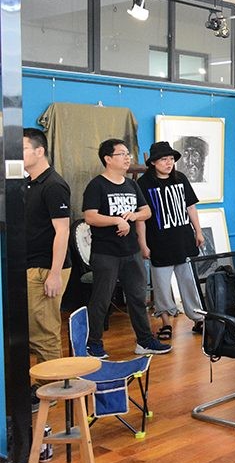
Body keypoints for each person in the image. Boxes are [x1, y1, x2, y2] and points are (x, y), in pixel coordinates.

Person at [83, 139, 171, 358]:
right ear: (108, 159)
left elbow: (147, 212)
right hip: (106, 253)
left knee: (138, 298)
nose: (127, 158)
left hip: (131, 251)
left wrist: (133, 216)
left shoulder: (131, 185)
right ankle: (93, 344)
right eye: (121, 154)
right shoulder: (97, 185)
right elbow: (90, 216)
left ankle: (144, 341)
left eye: (127, 154)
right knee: (101, 300)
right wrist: (116, 220)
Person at [136, 141, 206, 342]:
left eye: (171, 159)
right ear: (153, 162)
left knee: (189, 282)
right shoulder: (143, 184)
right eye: (164, 159)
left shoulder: (180, 178)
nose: (168, 163)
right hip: (159, 242)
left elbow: (191, 207)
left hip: (183, 240)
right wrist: (143, 244)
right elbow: (140, 218)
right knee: (161, 285)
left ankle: (198, 319)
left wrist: (198, 231)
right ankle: (166, 322)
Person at [23, 128, 72, 411]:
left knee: (44, 331)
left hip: (46, 268)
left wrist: (54, 274)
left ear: (39, 151)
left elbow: (62, 231)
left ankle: (51, 388)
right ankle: (44, 382)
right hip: (30, 265)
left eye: (23, 148)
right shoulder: (29, 183)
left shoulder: (54, 185)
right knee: (33, 328)